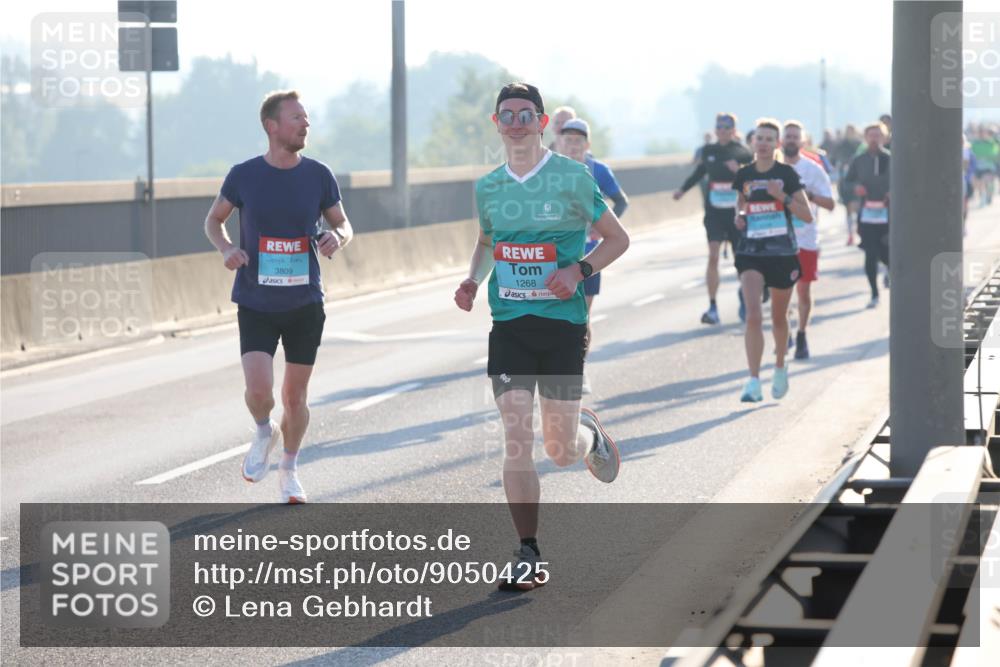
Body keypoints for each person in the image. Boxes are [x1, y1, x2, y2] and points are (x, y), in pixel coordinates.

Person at [454, 83, 630, 590]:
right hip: (508, 326)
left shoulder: (574, 178)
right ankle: (528, 550)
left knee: (559, 450)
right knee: (516, 440)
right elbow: (488, 242)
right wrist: (473, 278)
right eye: (506, 114)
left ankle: (587, 434)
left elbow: (618, 239)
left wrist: (579, 270)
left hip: (561, 327)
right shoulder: (488, 186)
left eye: (524, 114)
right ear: (496, 123)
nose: (516, 122)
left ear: (541, 121)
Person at [203, 90, 353, 504]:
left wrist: (335, 237)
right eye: (297, 118)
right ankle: (263, 430)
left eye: (307, 117)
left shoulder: (319, 174)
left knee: (295, 396)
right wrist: (227, 248)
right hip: (256, 301)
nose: (306, 124)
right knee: (259, 392)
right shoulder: (244, 175)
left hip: (305, 301)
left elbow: (344, 224)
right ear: (272, 126)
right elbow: (214, 221)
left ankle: (289, 469)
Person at [732, 118, 813, 402]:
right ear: (752, 142)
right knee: (753, 314)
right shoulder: (744, 175)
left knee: (779, 317)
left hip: (782, 254)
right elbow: (740, 207)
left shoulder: (786, 175)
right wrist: (740, 219)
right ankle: (753, 381)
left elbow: (806, 215)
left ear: (776, 144)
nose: (764, 144)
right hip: (751, 252)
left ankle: (779, 366)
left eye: (769, 139)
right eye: (759, 139)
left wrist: (782, 197)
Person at [557, 118, 629, 393]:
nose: (573, 145)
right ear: (560, 142)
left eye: (578, 141)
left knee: (581, 315)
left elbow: (621, 201)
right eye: (568, 140)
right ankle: (555, 373)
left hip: (589, 253)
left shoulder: (598, 170)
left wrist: (603, 229)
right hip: (557, 254)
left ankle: (579, 369)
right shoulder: (549, 171)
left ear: (587, 144)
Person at [673, 112, 753, 325]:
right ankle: (713, 305)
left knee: (740, 260)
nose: (723, 131)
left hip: (736, 213)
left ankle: (745, 301)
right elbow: (699, 173)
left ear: (734, 130)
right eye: (720, 127)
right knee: (713, 256)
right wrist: (682, 190)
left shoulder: (743, 153)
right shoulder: (708, 151)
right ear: (716, 130)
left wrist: (740, 171)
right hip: (714, 212)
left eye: (728, 128)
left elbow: (753, 179)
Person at [782, 120, 835, 360]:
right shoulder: (772, 167)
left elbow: (831, 204)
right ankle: (786, 333)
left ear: (803, 142)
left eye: (796, 137)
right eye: (788, 137)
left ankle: (802, 333)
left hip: (805, 239)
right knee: (781, 292)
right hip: (779, 240)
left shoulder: (813, 170)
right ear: (782, 141)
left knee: (802, 292)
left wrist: (808, 195)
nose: (791, 140)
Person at [845, 122, 891, 309]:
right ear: (865, 138)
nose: (874, 138)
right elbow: (846, 183)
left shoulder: (892, 159)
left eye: (878, 135)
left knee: (887, 252)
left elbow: (904, 182)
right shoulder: (859, 160)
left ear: (885, 138)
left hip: (888, 214)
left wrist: (893, 192)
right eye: (871, 135)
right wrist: (855, 188)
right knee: (870, 254)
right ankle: (874, 293)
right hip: (867, 214)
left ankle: (889, 268)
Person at [833, 124, 862, 245]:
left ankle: (859, 232)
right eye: (848, 131)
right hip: (845, 179)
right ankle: (850, 234)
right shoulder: (842, 144)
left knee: (859, 209)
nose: (849, 133)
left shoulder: (859, 144)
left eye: (851, 131)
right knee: (848, 209)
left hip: (858, 179)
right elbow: (834, 158)